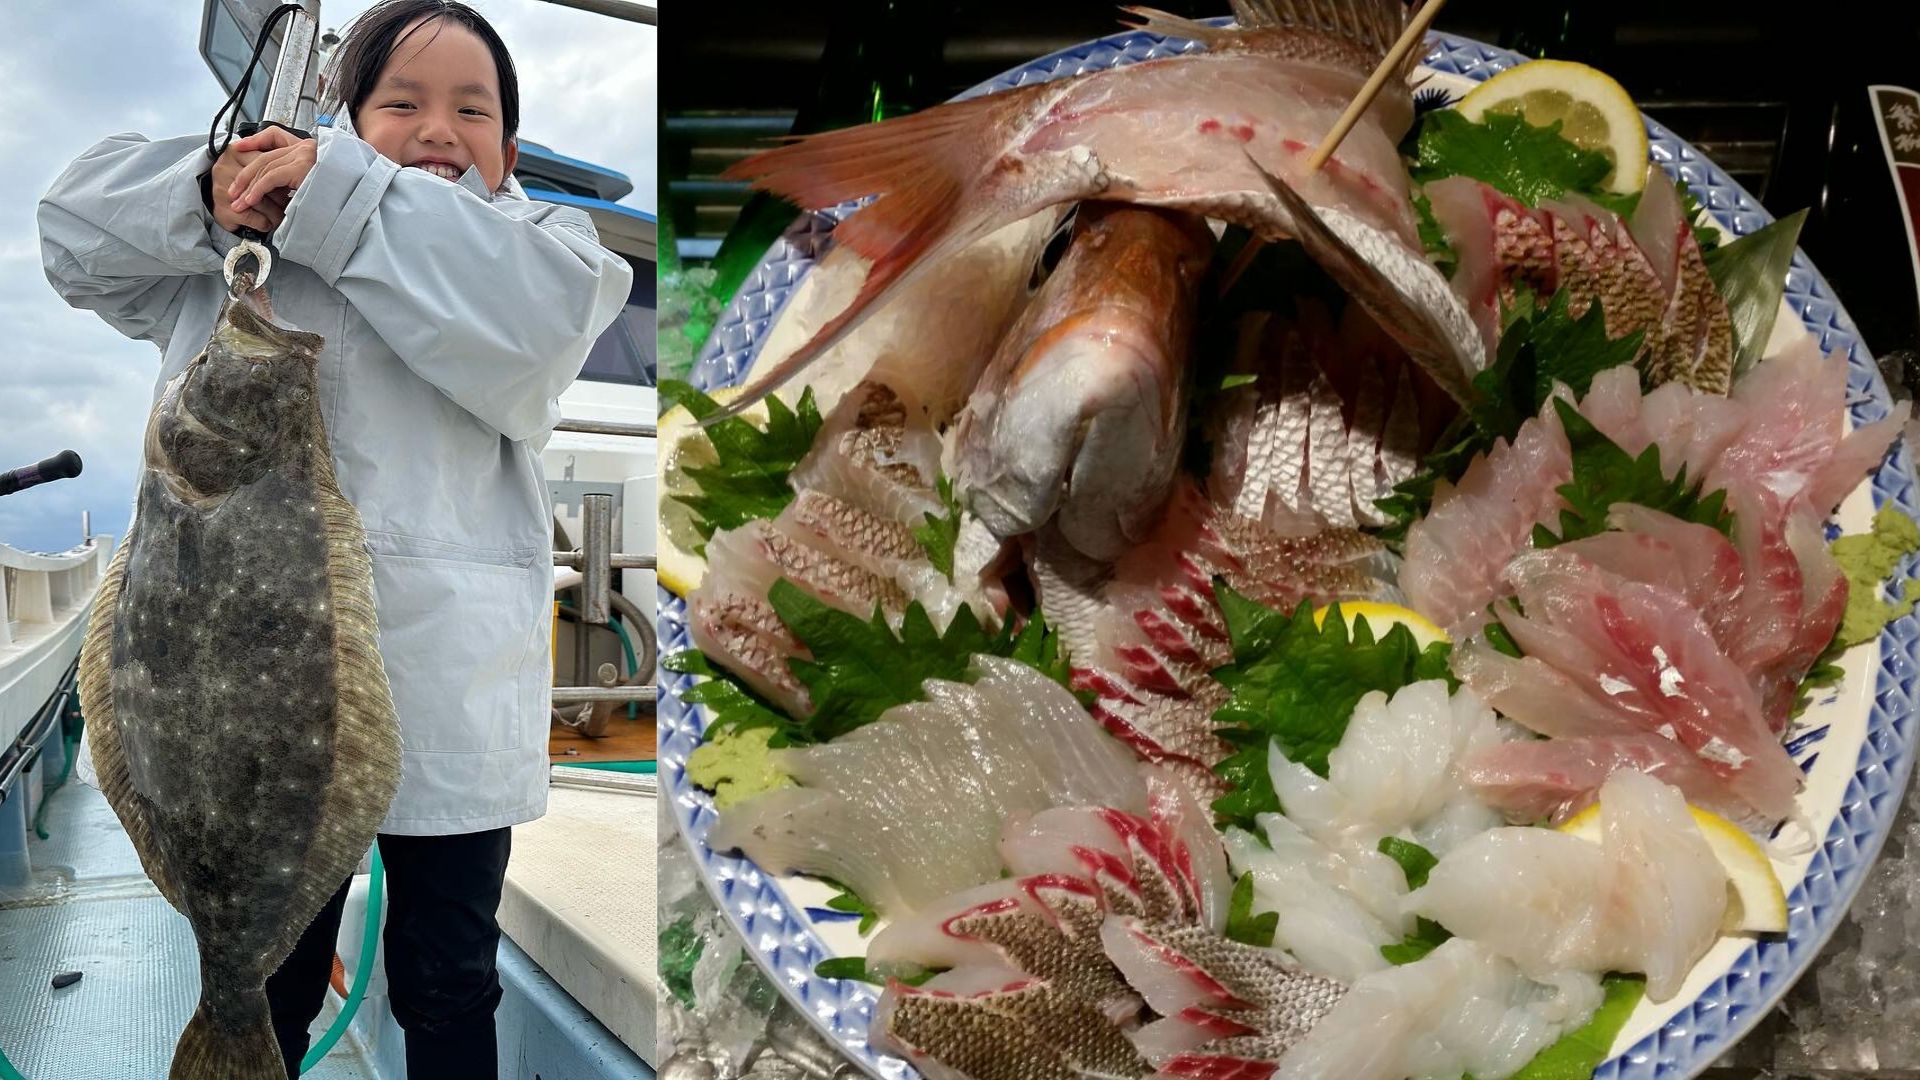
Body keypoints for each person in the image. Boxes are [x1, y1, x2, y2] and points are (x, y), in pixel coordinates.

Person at [37, 1, 633, 1075]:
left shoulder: (543, 243)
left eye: (475, 108)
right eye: (401, 102)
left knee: (450, 977)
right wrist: (208, 189)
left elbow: (542, 322)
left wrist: (343, 192)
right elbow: (69, 232)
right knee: (271, 977)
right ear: (346, 116)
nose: (440, 127)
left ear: (510, 143)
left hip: (449, 691)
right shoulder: (248, 230)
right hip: (248, 710)